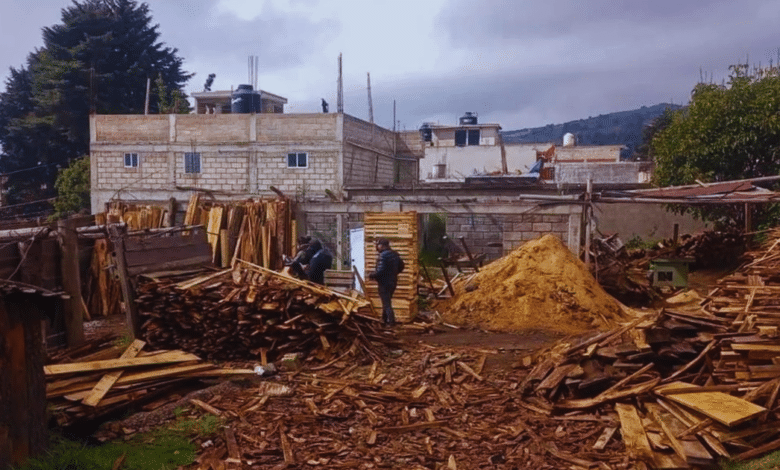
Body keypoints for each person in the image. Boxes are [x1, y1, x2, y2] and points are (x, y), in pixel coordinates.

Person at [368, 238, 404, 326]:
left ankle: (391, 322)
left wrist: (372, 275)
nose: (377, 247)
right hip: (393, 281)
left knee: (387, 303)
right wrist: (394, 273)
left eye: (378, 245)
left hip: (384, 283)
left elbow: (380, 270)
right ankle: (384, 320)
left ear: (382, 245)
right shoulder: (395, 255)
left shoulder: (383, 256)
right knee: (386, 301)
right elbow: (402, 266)